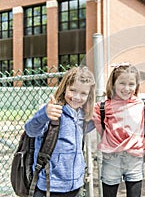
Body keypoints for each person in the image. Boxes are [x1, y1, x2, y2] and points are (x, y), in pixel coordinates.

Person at [24, 66, 96, 197]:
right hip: (50, 186)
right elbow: (30, 130)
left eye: (83, 93)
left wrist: (98, 118)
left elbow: (86, 130)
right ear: (64, 89)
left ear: (89, 95)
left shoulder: (82, 116)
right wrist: (44, 114)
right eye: (72, 90)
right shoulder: (53, 111)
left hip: (75, 186)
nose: (77, 97)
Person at [93, 63, 145, 197]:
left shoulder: (143, 106)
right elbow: (96, 124)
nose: (126, 88)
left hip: (134, 160)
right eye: (122, 83)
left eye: (131, 84)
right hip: (111, 159)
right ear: (113, 83)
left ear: (136, 85)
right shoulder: (102, 107)